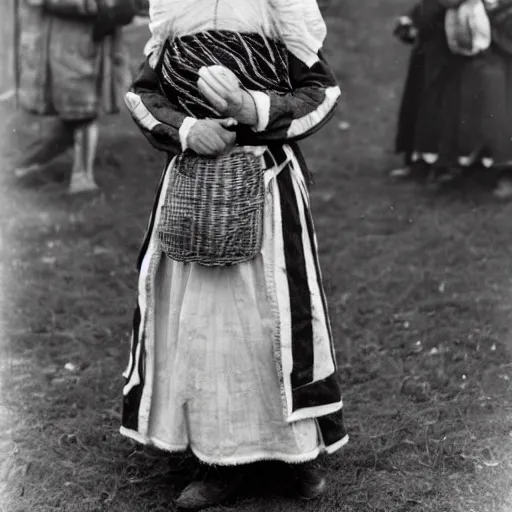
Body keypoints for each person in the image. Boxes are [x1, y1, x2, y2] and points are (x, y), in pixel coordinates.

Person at [120, 0, 348, 509]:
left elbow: (322, 94)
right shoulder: (177, 13)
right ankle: (216, 459)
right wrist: (185, 129)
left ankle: (296, 453)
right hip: (193, 187)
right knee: (202, 324)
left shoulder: (279, 9)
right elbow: (143, 94)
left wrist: (254, 110)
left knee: (273, 318)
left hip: (267, 186)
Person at [9, 0, 139, 193]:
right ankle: (30, 168)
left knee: (81, 115)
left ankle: (71, 176)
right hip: (66, 45)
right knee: (79, 115)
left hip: (86, 44)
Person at [391, 0, 512, 198]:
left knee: (495, 93)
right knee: (436, 91)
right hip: (447, 29)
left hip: (494, 27)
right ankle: (432, 162)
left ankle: (503, 169)